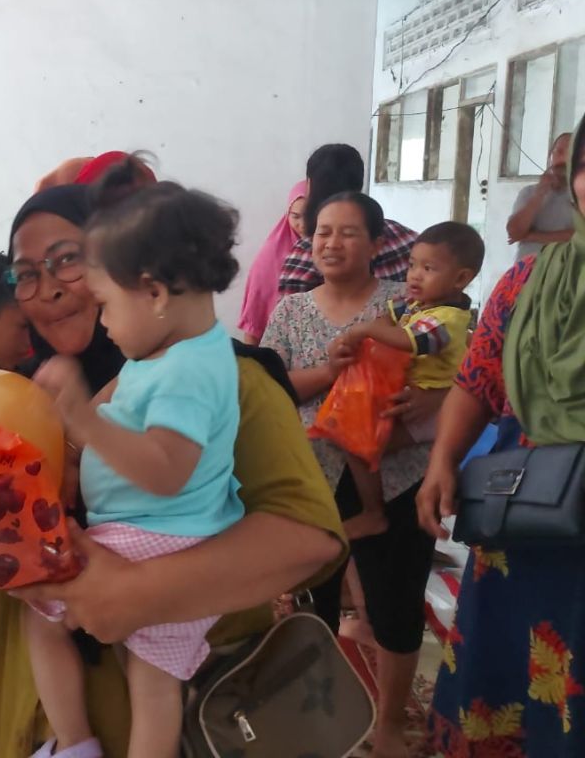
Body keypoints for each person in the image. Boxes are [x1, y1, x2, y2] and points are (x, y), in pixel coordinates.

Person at [0, 168, 347, 758]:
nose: (46, 289)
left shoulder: (226, 378)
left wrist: (138, 592)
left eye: (68, 261)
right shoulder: (19, 398)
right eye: (25, 274)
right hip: (31, 713)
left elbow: (311, 539)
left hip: (178, 714)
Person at [25, 169, 245, 758]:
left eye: (104, 305)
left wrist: (84, 422)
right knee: (150, 685)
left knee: (38, 613)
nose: (101, 322)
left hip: (155, 542)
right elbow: (123, 410)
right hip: (166, 539)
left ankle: (74, 746)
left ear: (152, 292)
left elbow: (166, 470)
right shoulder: (176, 351)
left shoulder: (186, 372)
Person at [420, 113, 585, 757]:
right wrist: (441, 460)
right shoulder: (527, 282)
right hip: (529, 519)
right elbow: (475, 383)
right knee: (514, 681)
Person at [261, 191, 433, 758]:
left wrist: (421, 402)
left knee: (395, 607)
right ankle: (319, 724)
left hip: (395, 474)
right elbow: (270, 388)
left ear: (378, 242)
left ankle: (386, 727)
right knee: (314, 609)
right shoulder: (290, 310)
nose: (331, 243)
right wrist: (326, 373)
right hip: (310, 477)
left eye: (347, 232)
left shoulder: (404, 307)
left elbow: (449, 373)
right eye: (322, 233)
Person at [331, 221, 483, 539]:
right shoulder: (418, 303)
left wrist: (365, 331)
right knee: (355, 436)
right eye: (413, 265)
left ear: (461, 279)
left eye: (428, 268)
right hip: (417, 397)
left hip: (433, 410)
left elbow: (410, 340)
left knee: (359, 443)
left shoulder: (448, 320)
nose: (415, 275)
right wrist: (365, 331)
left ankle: (374, 513)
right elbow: (389, 313)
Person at [279, 144, 417, 296]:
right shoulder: (407, 239)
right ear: (360, 183)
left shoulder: (309, 251)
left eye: (348, 234)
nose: (332, 244)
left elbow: (289, 309)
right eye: (325, 232)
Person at [238, 180, 307, 345]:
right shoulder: (270, 255)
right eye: (295, 216)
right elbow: (255, 316)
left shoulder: (320, 250)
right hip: (274, 347)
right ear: (287, 214)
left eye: (309, 216)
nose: (302, 224)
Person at [506, 131, 576, 260]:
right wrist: (539, 194)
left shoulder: (580, 196)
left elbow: (578, 236)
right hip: (527, 273)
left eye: (571, 153)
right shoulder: (529, 192)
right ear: (550, 156)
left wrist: (530, 236)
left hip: (565, 275)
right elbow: (514, 232)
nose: (564, 159)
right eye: (559, 152)